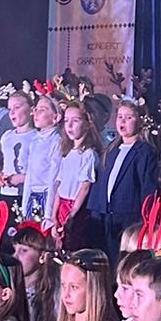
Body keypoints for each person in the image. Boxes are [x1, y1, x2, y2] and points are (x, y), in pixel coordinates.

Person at [89, 100, 159, 241]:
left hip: (128, 217)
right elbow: (101, 183)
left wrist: (145, 218)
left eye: (129, 117)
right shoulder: (111, 150)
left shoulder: (144, 152)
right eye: (120, 116)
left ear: (140, 121)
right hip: (105, 216)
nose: (123, 121)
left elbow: (147, 187)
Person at [54, 100, 101, 250]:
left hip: (75, 208)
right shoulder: (67, 153)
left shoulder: (88, 154)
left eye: (75, 121)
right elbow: (60, 186)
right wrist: (54, 215)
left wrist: (72, 213)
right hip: (61, 206)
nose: (69, 125)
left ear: (87, 124)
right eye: (66, 120)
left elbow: (85, 187)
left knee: (73, 245)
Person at [21, 93, 65, 226]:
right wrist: (24, 207)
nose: (36, 113)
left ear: (56, 117)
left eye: (42, 110)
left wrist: (48, 214)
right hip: (33, 195)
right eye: (36, 109)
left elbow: (54, 178)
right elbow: (29, 174)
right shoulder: (35, 140)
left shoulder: (56, 141)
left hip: (46, 196)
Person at [0, 88, 35, 206]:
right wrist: (0, 176)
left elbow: (41, 171)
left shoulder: (36, 137)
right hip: (6, 193)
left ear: (31, 110)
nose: (12, 113)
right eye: (10, 109)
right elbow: (7, 165)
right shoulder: (6, 137)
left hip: (26, 194)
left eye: (17, 107)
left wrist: (21, 178)